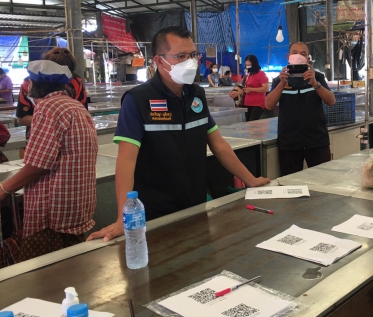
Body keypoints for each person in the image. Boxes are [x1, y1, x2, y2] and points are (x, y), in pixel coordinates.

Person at [88, 26, 270, 242]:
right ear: (159, 60)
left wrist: (250, 180)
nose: (190, 62)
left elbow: (218, 144)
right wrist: (122, 218)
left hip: (195, 205)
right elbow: (126, 161)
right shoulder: (138, 100)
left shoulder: (196, 95)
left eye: (193, 55)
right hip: (155, 213)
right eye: (181, 56)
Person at [0, 60, 97, 262]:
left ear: (32, 85)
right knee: (71, 265)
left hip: (51, 214)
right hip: (77, 206)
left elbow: (39, 164)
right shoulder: (75, 106)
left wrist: (4, 189)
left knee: (40, 271)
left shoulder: (47, 108)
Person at [265, 42, 336, 176]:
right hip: (289, 142)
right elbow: (268, 105)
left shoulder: (318, 77)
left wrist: (314, 83)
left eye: (303, 54)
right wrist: (282, 82)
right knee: (290, 183)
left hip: (317, 141)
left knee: (323, 181)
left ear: (308, 59)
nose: (298, 56)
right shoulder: (279, 80)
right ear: (288, 57)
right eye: (294, 53)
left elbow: (331, 101)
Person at [16, 47, 88, 141]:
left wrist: (54, 120)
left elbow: (84, 114)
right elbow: (21, 118)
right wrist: (57, 121)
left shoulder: (76, 81)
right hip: (40, 136)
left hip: (70, 136)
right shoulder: (29, 83)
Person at [240, 55, 268, 122]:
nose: (247, 66)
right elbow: (242, 85)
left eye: (249, 65)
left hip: (257, 103)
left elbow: (265, 88)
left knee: (253, 122)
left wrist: (251, 89)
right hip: (247, 102)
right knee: (247, 122)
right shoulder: (248, 75)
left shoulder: (261, 74)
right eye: (246, 65)